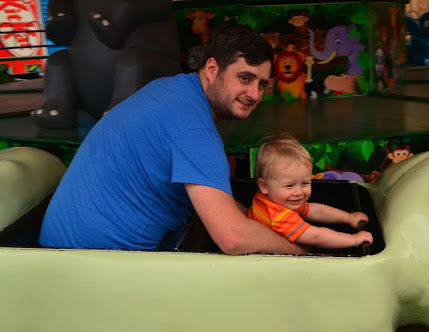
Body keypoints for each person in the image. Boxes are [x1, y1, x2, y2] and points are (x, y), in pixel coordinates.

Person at [39, 23, 305, 255]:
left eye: (262, 84)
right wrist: (303, 253)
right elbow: (233, 238)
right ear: (212, 68)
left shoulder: (171, 89)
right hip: (90, 262)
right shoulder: (194, 131)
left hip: (61, 248)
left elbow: (219, 203)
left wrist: (257, 217)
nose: (254, 94)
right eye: (244, 78)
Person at [247, 134, 373, 249]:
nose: (299, 192)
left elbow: (316, 211)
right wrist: (353, 239)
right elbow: (316, 237)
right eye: (289, 185)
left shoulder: (270, 197)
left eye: (305, 183)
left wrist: (348, 217)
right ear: (263, 186)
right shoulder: (278, 216)